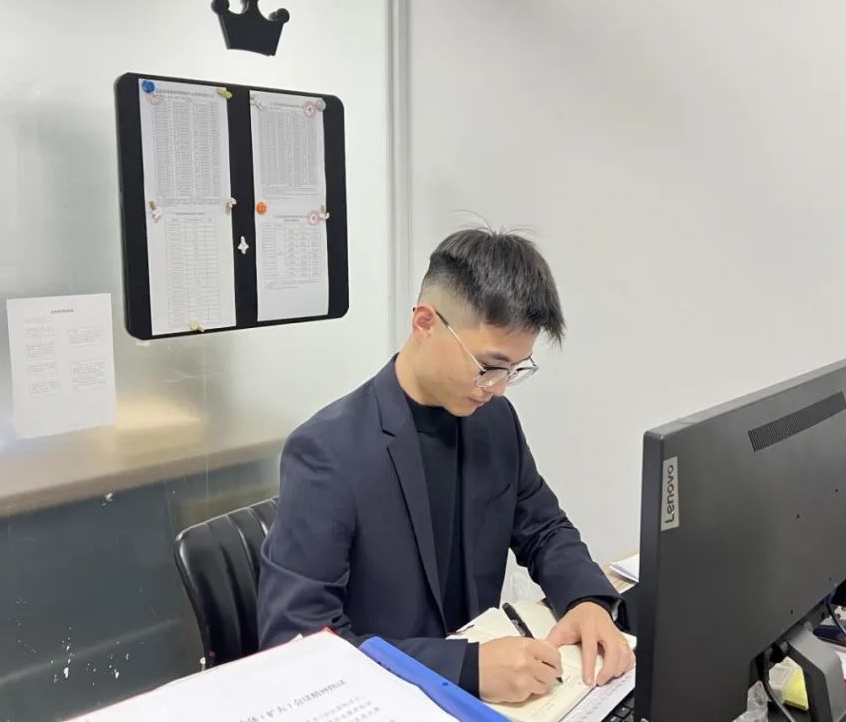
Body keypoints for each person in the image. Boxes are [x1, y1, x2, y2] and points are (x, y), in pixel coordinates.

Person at [257, 228, 634, 703]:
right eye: (488, 366)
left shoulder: (494, 421)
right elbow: (298, 642)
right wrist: (465, 668)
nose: (498, 388)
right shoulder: (328, 451)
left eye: (514, 370)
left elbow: (544, 528)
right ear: (425, 323)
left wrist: (587, 599)